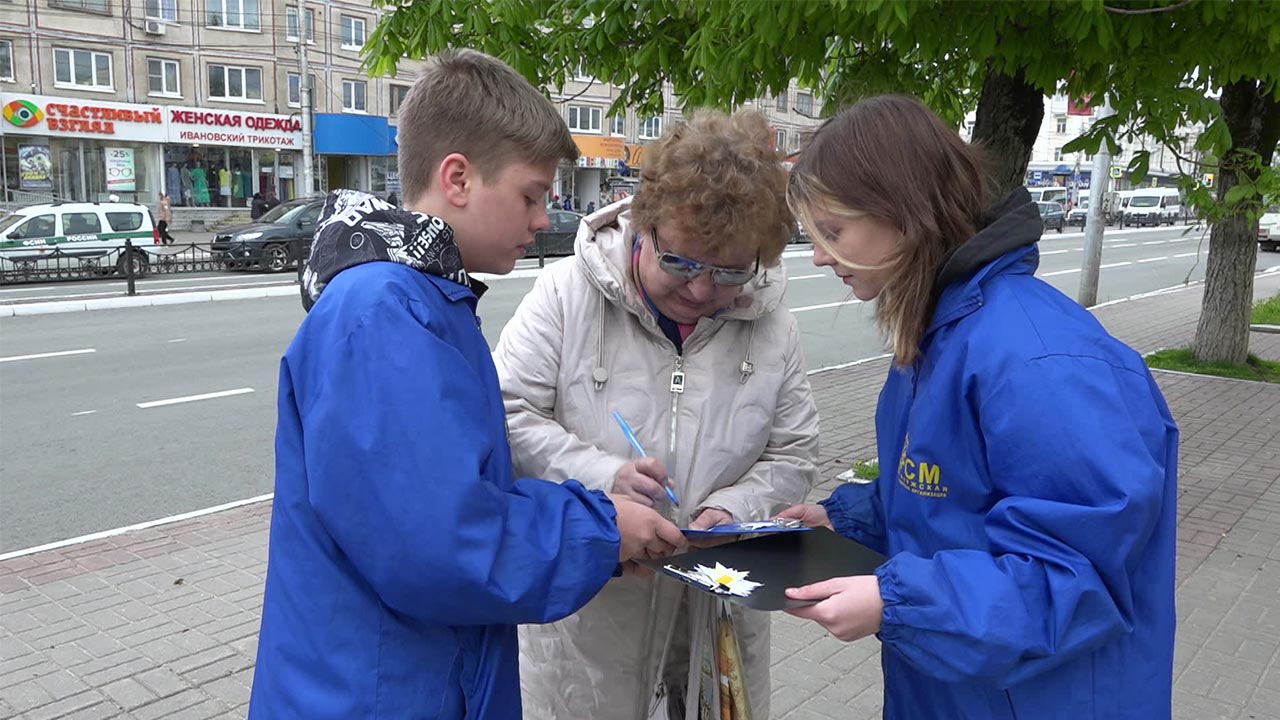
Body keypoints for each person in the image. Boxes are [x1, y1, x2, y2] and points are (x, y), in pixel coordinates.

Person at [249, 49, 687, 720]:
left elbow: (451, 492)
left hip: (407, 677)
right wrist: (601, 532)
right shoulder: (383, 315)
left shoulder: (424, 300)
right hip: (376, 694)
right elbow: (440, 545)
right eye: (531, 195)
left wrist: (596, 507)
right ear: (458, 178)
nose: (544, 218)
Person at [777, 95, 1177, 719]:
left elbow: (1078, 579)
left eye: (833, 231)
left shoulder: (1037, 361)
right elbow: (947, 500)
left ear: (904, 212)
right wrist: (844, 525)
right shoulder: (943, 334)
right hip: (956, 691)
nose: (821, 257)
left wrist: (896, 602)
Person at [495, 109, 820, 720]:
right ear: (642, 226)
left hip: (714, 625)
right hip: (588, 627)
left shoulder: (771, 323)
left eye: (729, 272)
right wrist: (602, 479)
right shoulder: (566, 296)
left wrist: (736, 510)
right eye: (682, 263)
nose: (701, 291)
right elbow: (506, 416)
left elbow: (795, 453)